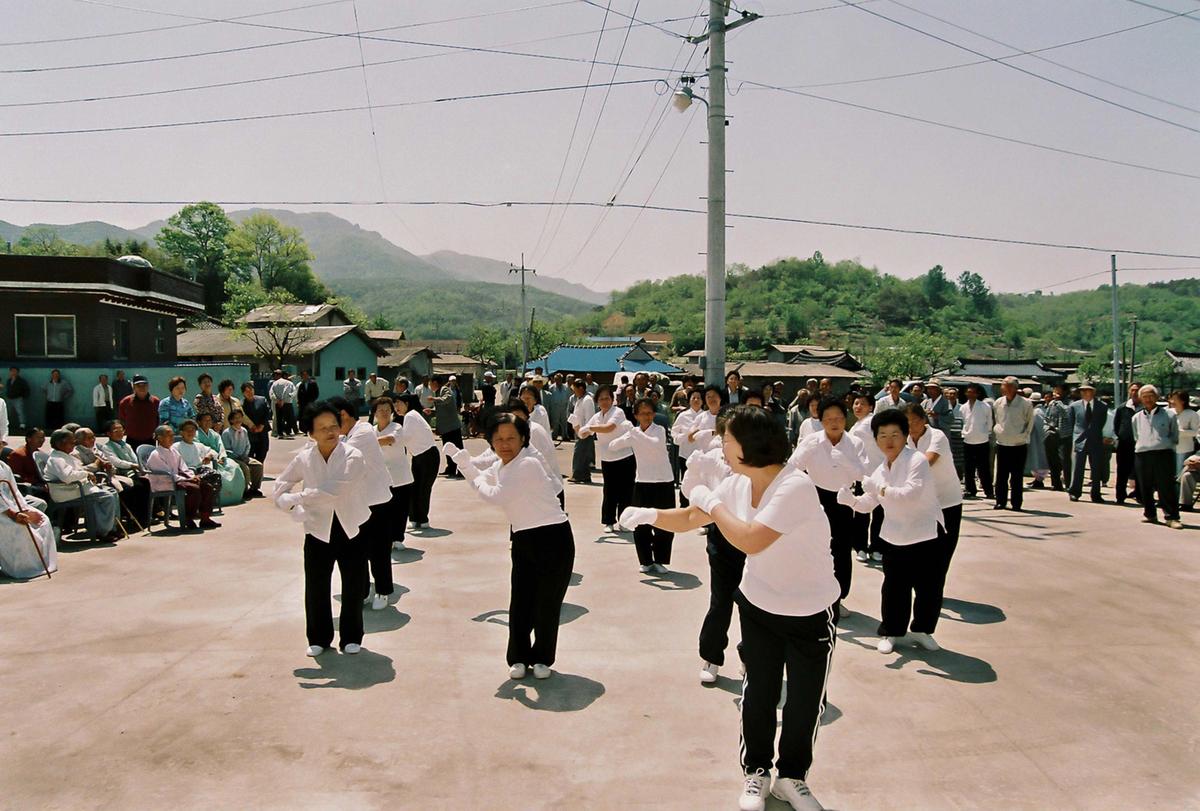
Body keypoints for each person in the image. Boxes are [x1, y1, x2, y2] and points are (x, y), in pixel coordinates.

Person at [622, 406, 838, 811]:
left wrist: (710, 502)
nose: (721, 445)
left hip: (810, 612)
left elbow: (751, 540)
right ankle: (757, 772)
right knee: (758, 692)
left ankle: (792, 778)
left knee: (806, 700)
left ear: (750, 446)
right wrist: (651, 516)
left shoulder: (794, 486)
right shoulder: (739, 483)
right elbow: (691, 516)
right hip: (759, 604)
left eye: (727, 439)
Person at [444, 414, 575, 682]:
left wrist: (466, 467)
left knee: (546, 604)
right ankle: (518, 657)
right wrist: (465, 462)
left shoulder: (527, 464)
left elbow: (495, 495)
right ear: (491, 442)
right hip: (524, 538)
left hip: (553, 538)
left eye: (511, 438)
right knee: (521, 602)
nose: (505, 444)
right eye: (498, 439)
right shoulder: (503, 465)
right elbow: (484, 476)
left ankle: (541, 658)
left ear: (523, 439)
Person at [840, 409, 946, 655]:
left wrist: (879, 487)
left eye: (895, 435)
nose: (888, 441)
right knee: (894, 588)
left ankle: (922, 630)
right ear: (876, 439)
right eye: (882, 435)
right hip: (895, 535)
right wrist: (850, 501)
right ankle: (892, 631)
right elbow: (869, 502)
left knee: (928, 588)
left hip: (925, 533)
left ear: (906, 436)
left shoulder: (916, 460)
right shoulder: (881, 469)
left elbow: (909, 495)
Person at [274, 401, 371, 656]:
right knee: (316, 586)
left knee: (353, 586)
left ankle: (351, 636)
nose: (330, 431)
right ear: (311, 433)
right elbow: (280, 485)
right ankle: (318, 638)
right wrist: (288, 505)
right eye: (323, 428)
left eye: (334, 426)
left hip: (351, 526)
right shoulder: (304, 457)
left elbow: (336, 490)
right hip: (317, 529)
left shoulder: (353, 455)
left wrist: (298, 498)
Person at [789, 397, 867, 616]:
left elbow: (862, 474)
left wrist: (844, 461)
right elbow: (793, 467)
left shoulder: (855, 443)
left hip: (842, 498)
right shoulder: (812, 441)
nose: (834, 423)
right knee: (813, 546)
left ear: (846, 419)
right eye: (829, 419)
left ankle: (838, 597)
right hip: (815, 497)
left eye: (839, 418)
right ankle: (811, 593)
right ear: (820, 420)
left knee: (841, 549)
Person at [329, 396, 394, 610]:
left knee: (379, 551)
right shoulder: (349, 435)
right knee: (359, 549)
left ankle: (383, 591)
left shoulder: (363, 431)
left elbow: (339, 455)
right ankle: (364, 590)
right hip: (360, 503)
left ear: (344, 416)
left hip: (378, 501)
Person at [904, 404, 963, 610]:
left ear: (924, 419)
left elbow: (927, 461)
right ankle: (930, 590)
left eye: (914, 420)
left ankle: (935, 590)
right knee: (925, 552)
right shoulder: (907, 441)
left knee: (943, 552)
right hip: (925, 504)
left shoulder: (937, 436)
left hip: (948, 502)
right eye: (906, 422)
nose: (911, 426)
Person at [609, 398, 676, 574]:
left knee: (665, 523)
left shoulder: (659, 430)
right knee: (641, 524)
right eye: (642, 413)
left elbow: (653, 444)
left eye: (649, 413)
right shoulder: (634, 432)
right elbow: (613, 446)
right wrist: (623, 432)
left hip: (663, 482)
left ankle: (660, 560)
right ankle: (646, 560)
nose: (646, 416)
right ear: (636, 415)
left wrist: (633, 433)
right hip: (642, 483)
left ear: (654, 414)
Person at [43, 428, 121, 540]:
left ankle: (111, 527)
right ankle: (103, 532)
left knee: (112, 491)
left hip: (76, 488)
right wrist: (86, 474)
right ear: (60, 444)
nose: (73, 445)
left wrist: (87, 473)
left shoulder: (66, 455)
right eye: (71, 442)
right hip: (67, 491)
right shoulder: (57, 459)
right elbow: (68, 477)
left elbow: (78, 469)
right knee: (106, 497)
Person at [579, 385, 635, 534]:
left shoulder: (618, 412)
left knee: (626, 492)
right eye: (601, 399)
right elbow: (584, 433)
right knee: (609, 491)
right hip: (607, 459)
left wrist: (590, 428)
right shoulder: (597, 417)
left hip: (624, 458)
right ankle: (609, 521)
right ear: (597, 401)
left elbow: (609, 428)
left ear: (612, 399)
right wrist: (581, 430)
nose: (604, 401)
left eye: (607, 398)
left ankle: (625, 522)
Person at [1132, 385, 1183, 529]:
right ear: (1141, 399)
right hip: (1142, 454)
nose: (1148, 399)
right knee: (1145, 485)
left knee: (1165, 485)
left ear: (1156, 397)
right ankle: (1150, 514)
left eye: (1151, 396)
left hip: (1163, 453)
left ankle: (1172, 517)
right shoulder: (1136, 417)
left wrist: (1164, 444)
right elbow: (1137, 436)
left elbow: (1174, 435)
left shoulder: (1169, 415)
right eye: (1145, 396)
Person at [0, 459, 57, 579]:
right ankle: (18, 568)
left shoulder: (3, 466)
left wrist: (24, 509)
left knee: (43, 520)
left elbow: (14, 491)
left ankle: (42, 564)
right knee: (19, 528)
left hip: (10, 505)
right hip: (3, 511)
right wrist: (14, 515)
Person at [847, 392, 885, 563]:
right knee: (864, 512)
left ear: (871, 407)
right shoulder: (857, 425)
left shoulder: (870, 422)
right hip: (864, 476)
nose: (858, 407)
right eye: (855, 403)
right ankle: (864, 547)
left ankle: (874, 547)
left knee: (877, 512)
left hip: (878, 474)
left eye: (862, 403)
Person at [394, 394, 439, 530]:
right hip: (419, 456)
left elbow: (405, 437)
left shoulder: (410, 415)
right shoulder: (411, 415)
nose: (396, 407)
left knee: (423, 489)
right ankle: (415, 518)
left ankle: (422, 519)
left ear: (406, 403)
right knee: (415, 488)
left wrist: (389, 440)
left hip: (427, 456)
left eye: (399, 404)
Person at [992, 377, 1033, 511]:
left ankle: (1016, 503)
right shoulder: (998, 402)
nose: (1006, 389)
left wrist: (1023, 436)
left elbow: (1029, 422)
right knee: (1001, 475)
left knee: (1016, 476)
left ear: (1016, 388)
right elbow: (997, 419)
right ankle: (1000, 501)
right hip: (1002, 442)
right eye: (1004, 386)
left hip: (1018, 444)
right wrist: (998, 431)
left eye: (1010, 386)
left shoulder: (1025, 403)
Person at [173, 419, 227, 513]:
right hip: (186, 473)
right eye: (187, 430)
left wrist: (208, 456)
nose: (190, 432)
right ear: (181, 433)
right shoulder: (176, 446)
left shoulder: (199, 445)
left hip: (200, 472)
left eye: (193, 430)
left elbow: (213, 452)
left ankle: (205, 513)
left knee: (214, 476)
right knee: (202, 484)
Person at [1066, 383, 1107, 503]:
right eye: (1082, 390)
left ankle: (1096, 493)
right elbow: (1072, 422)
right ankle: (1074, 492)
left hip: (1095, 439)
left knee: (1096, 469)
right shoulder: (1074, 406)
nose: (1084, 393)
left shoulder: (1102, 406)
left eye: (1087, 390)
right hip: (1079, 439)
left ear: (1093, 392)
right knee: (1077, 467)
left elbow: (1102, 422)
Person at [194, 412, 245, 506]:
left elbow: (221, 446)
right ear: (199, 422)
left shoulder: (214, 434)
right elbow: (199, 449)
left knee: (234, 467)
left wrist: (222, 457)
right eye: (205, 420)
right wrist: (212, 457)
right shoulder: (195, 435)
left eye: (209, 420)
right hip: (205, 460)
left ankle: (236, 495)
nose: (208, 422)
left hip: (219, 458)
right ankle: (219, 498)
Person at [671, 388, 707, 508]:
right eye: (693, 398)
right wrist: (686, 436)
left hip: (703, 455)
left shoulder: (706, 416)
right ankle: (684, 507)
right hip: (685, 454)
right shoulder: (682, 416)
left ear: (703, 401)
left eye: (699, 398)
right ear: (689, 401)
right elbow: (674, 434)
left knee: (702, 482)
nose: (696, 400)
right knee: (686, 481)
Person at [959, 383, 993, 499]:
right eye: (968, 392)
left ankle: (988, 490)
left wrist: (987, 433)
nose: (970, 394)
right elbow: (964, 422)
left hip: (982, 439)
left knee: (983, 467)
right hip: (968, 439)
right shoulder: (963, 407)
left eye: (973, 392)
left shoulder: (985, 406)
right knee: (968, 467)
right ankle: (970, 489)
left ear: (978, 393)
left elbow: (990, 422)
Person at [222, 409, 264, 498]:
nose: (238, 420)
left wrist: (245, 455)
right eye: (235, 418)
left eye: (240, 418)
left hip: (244, 457)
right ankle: (244, 490)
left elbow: (248, 445)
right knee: (244, 468)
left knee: (258, 465)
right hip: (233, 458)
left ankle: (254, 488)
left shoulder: (244, 430)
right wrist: (238, 457)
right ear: (231, 420)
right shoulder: (226, 433)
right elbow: (227, 450)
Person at [1112, 383, 1142, 504]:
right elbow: (1116, 425)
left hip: (1141, 445)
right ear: (1129, 391)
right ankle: (1120, 496)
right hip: (1125, 444)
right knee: (1122, 471)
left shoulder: (1145, 408)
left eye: (1137, 390)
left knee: (1140, 471)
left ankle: (1140, 495)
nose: (1134, 393)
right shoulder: (1122, 408)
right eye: (1132, 390)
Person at [430, 376, 464, 478]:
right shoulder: (438, 392)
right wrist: (431, 411)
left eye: (431, 383)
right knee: (448, 448)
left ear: (435, 382)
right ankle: (451, 468)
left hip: (452, 426)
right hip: (446, 427)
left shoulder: (444, 389)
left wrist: (435, 399)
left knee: (457, 449)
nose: (430, 386)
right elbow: (441, 408)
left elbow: (447, 398)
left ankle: (462, 469)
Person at [118, 374, 160, 449]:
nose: (142, 388)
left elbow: (158, 420)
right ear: (133, 387)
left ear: (148, 386)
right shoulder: (125, 402)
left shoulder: (155, 402)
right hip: (132, 440)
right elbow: (122, 420)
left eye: (144, 385)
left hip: (150, 440)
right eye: (138, 386)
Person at [567, 378, 596, 484]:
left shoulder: (587, 399)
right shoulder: (579, 398)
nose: (573, 391)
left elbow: (590, 417)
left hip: (584, 431)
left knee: (580, 453)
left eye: (575, 389)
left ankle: (578, 475)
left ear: (581, 388)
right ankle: (584, 475)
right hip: (578, 429)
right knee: (582, 454)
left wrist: (585, 431)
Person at [8, 428, 49, 502]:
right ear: (29, 439)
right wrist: (38, 484)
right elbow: (16, 475)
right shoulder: (18, 454)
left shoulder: (40, 454)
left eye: (43, 438)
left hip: (39, 483)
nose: (42, 440)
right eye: (38, 438)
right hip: (26, 486)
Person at [1043, 385, 1072, 492]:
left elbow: (1067, 414)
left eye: (1058, 391)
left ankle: (1069, 484)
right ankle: (1056, 483)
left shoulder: (1070, 403)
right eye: (1055, 391)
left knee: (1065, 460)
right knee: (1052, 459)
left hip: (1065, 435)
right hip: (1051, 433)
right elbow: (1046, 417)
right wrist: (1046, 428)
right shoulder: (1051, 404)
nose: (1055, 393)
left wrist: (1059, 404)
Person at [1167, 390, 1199, 474]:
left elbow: (1195, 432)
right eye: (1171, 399)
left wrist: (1179, 432)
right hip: (1169, 448)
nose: (1172, 401)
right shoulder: (1169, 413)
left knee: (1179, 473)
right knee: (1168, 473)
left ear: (1183, 401)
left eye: (1175, 399)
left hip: (1184, 449)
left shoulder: (1192, 414)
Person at [239, 382, 272, 464]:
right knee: (250, 453)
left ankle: (260, 470)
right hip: (250, 433)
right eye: (247, 391)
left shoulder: (262, 400)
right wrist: (251, 427)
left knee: (263, 451)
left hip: (262, 431)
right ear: (243, 393)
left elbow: (268, 413)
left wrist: (262, 425)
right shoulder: (241, 405)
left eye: (251, 390)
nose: (250, 393)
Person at [1025, 393, 1050, 489]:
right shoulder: (1040, 411)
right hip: (1038, 439)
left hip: (1037, 439)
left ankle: (1039, 480)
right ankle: (1037, 479)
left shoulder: (1036, 412)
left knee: (1038, 460)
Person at [270, 370, 298, 438]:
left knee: (279, 418)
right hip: (287, 403)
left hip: (278, 403)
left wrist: (277, 400)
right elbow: (293, 392)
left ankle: (280, 433)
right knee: (288, 418)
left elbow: (271, 393)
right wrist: (286, 398)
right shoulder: (289, 383)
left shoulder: (275, 383)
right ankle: (288, 432)